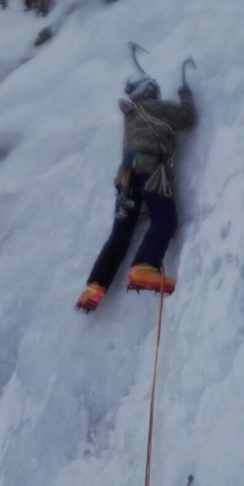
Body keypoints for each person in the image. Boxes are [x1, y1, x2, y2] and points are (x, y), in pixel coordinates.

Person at [76, 65, 196, 312]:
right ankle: (146, 266)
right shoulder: (155, 108)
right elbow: (187, 118)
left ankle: (94, 288)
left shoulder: (130, 113)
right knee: (164, 220)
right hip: (151, 171)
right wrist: (185, 93)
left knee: (119, 237)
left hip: (127, 178)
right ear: (148, 88)